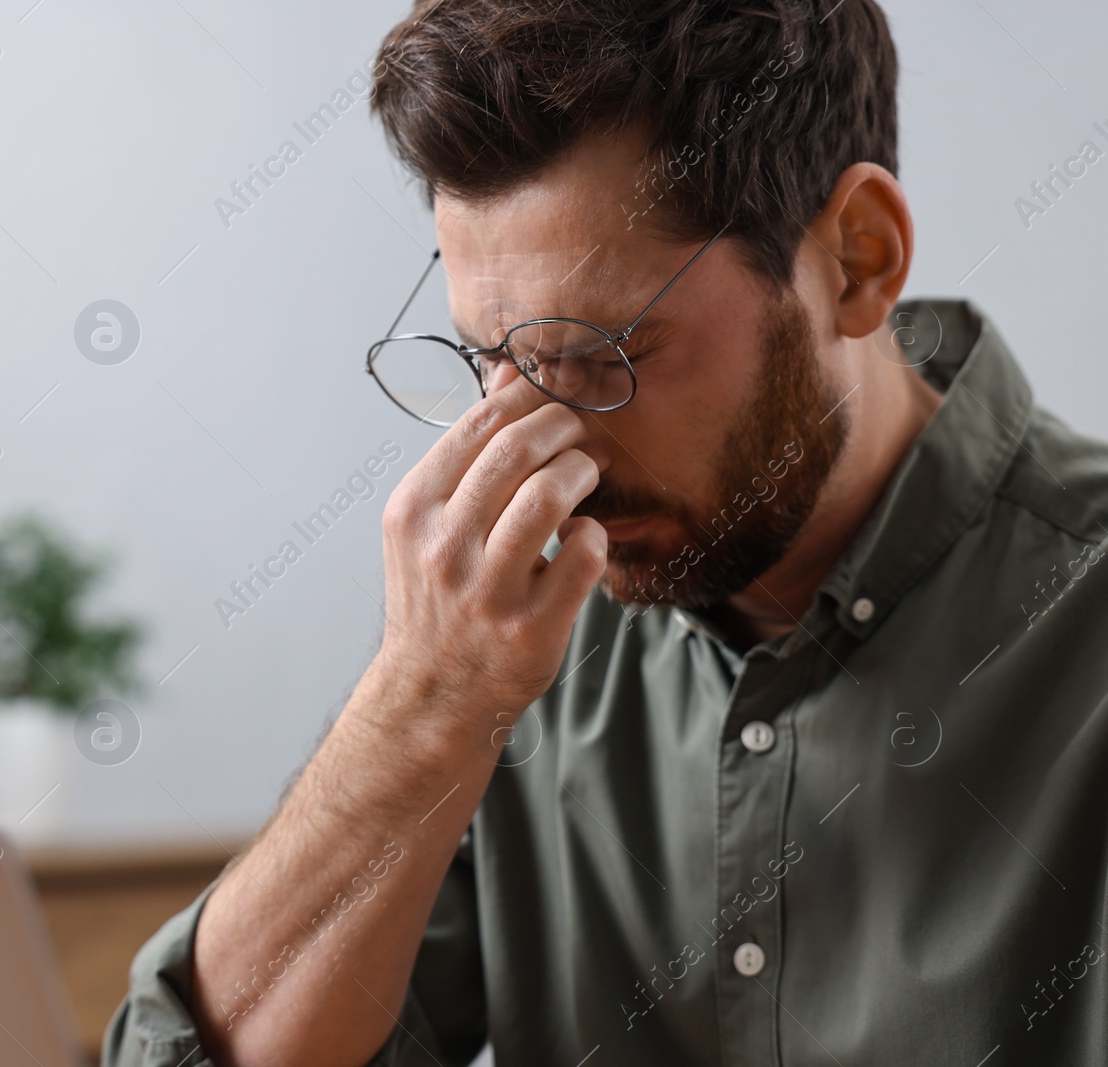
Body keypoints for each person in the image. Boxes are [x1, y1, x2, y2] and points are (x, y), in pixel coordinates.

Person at [104, 1, 1108, 1063]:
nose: (542, 452)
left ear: (856, 261)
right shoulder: (510, 645)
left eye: (600, 353)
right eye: (494, 360)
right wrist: (419, 703)